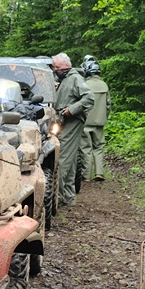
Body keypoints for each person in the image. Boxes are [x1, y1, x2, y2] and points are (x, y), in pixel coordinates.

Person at [51, 52, 93, 208]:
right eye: (54, 67)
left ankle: (57, 196)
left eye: (57, 67)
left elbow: (89, 98)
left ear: (67, 66)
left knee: (61, 159)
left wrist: (72, 109)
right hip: (64, 122)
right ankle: (68, 197)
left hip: (72, 122)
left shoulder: (75, 79)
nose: (55, 70)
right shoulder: (64, 79)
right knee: (70, 159)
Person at [80, 56, 109, 182]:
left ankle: (86, 175)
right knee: (99, 148)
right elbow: (108, 106)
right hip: (99, 122)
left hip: (85, 122)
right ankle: (99, 173)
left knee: (86, 149)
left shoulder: (84, 85)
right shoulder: (104, 86)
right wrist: (103, 117)